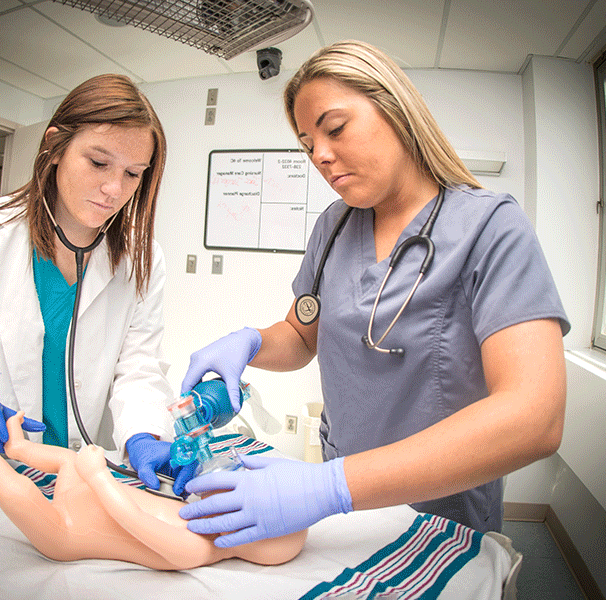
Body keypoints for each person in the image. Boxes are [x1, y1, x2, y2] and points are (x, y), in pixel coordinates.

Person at [178, 40, 569, 546]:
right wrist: (251, 341)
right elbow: (301, 335)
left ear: (397, 111)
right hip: (341, 513)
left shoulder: (491, 229)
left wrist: (328, 487)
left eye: (335, 129)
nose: (319, 155)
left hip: (438, 513)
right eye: (307, 144)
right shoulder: (334, 228)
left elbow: (535, 417)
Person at [0, 74, 190, 494]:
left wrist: (144, 433)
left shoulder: (142, 257)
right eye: (98, 162)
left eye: (133, 173)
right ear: (55, 146)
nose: (114, 189)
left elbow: (139, 365)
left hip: (83, 471)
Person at [0, 407, 307, 569]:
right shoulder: (196, 512)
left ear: (243, 532)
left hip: (68, 530)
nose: (231, 475)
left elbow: (132, 519)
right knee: (67, 460)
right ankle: (17, 448)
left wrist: (98, 477)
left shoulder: (197, 548)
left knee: (23, 495)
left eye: (240, 486)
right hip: (85, 490)